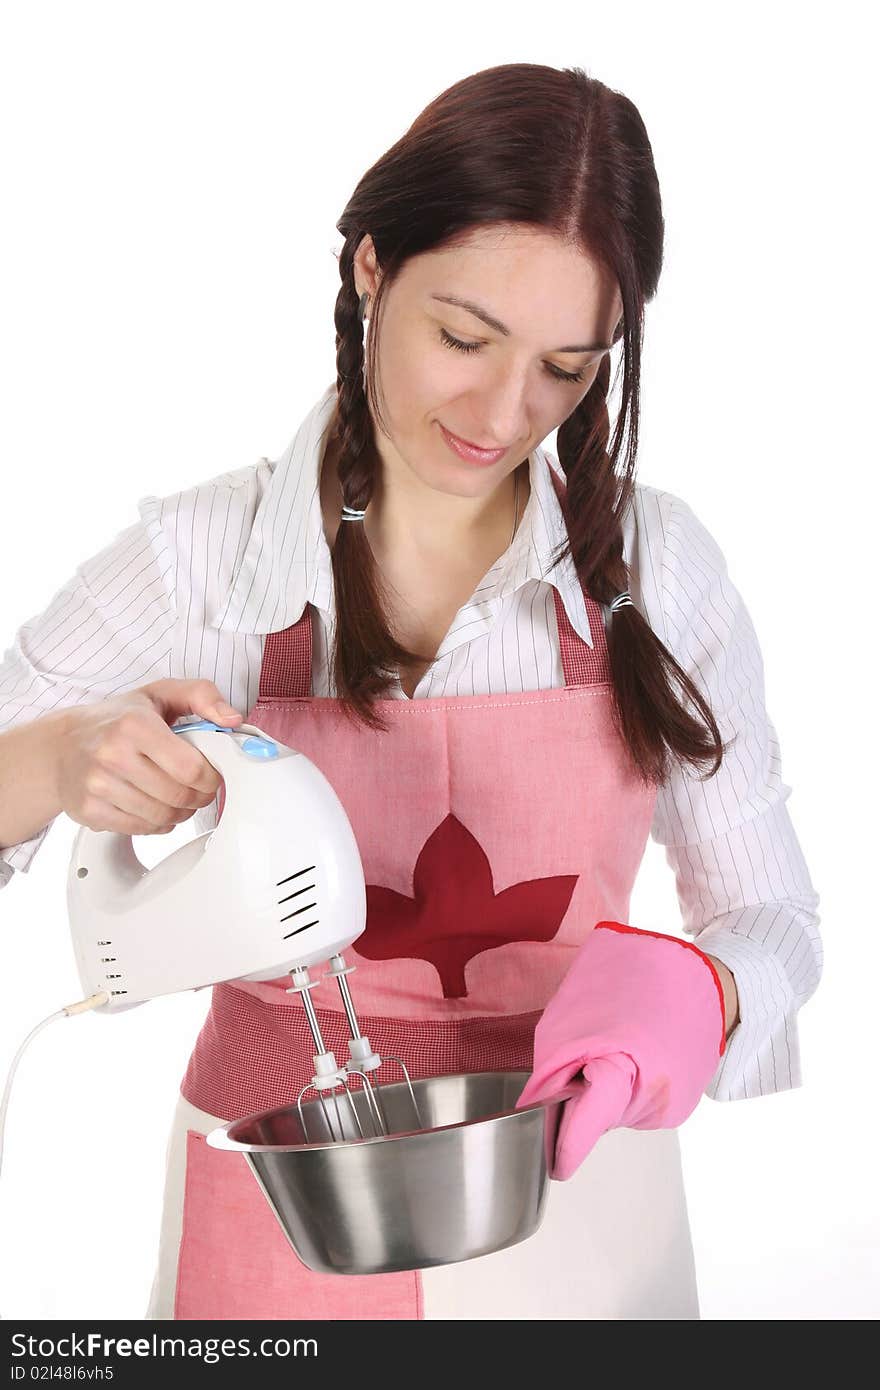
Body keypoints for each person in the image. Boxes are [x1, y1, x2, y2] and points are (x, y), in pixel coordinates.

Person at [0, 62, 822, 1321]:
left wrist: (703, 992)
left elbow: (770, 918)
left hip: (581, 1205)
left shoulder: (659, 572)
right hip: (281, 1202)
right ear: (372, 267)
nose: (505, 413)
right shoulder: (202, 561)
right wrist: (64, 760)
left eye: (565, 367)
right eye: (464, 336)